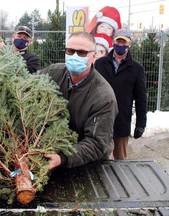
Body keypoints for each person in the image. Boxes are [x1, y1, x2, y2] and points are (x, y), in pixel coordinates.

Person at [38, 32, 118, 170]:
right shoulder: (52, 73)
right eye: (70, 51)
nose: (74, 56)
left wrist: (63, 158)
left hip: (91, 165)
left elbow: (96, 143)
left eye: (82, 52)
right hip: (54, 154)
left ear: (93, 56)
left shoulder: (103, 97)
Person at [95, 28, 147, 160]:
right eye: (119, 41)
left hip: (121, 120)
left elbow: (141, 98)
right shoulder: (100, 64)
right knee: (99, 158)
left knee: (120, 160)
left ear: (129, 45)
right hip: (101, 119)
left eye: (124, 42)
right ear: (114, 42)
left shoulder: (136, 69)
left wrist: (141, 123)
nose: (121, 45)